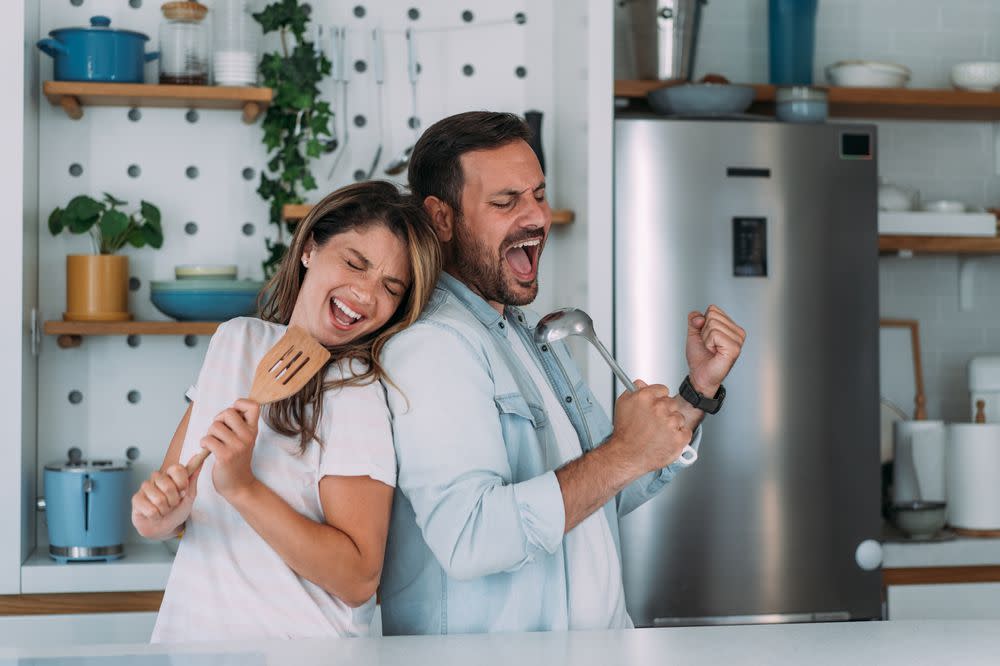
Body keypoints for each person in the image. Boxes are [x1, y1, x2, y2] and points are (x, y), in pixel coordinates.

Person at [378, 111, 746, 635]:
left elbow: (606, 488)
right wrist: (622, 453)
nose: (536, 218)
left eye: (538, 195)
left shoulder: (528, 335)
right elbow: (470, 538)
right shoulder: (433, 346)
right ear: (441, 218)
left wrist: (698, 390)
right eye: (506, 202)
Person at [131, 181, 441, 642]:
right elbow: (180, 503)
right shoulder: (235, 342)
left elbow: (358, 579)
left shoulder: (356, 390)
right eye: (355, 263)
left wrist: (242, 486)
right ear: (310, 249)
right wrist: (156, 517)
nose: (364, 292)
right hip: (189, 642)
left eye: (390, 287)